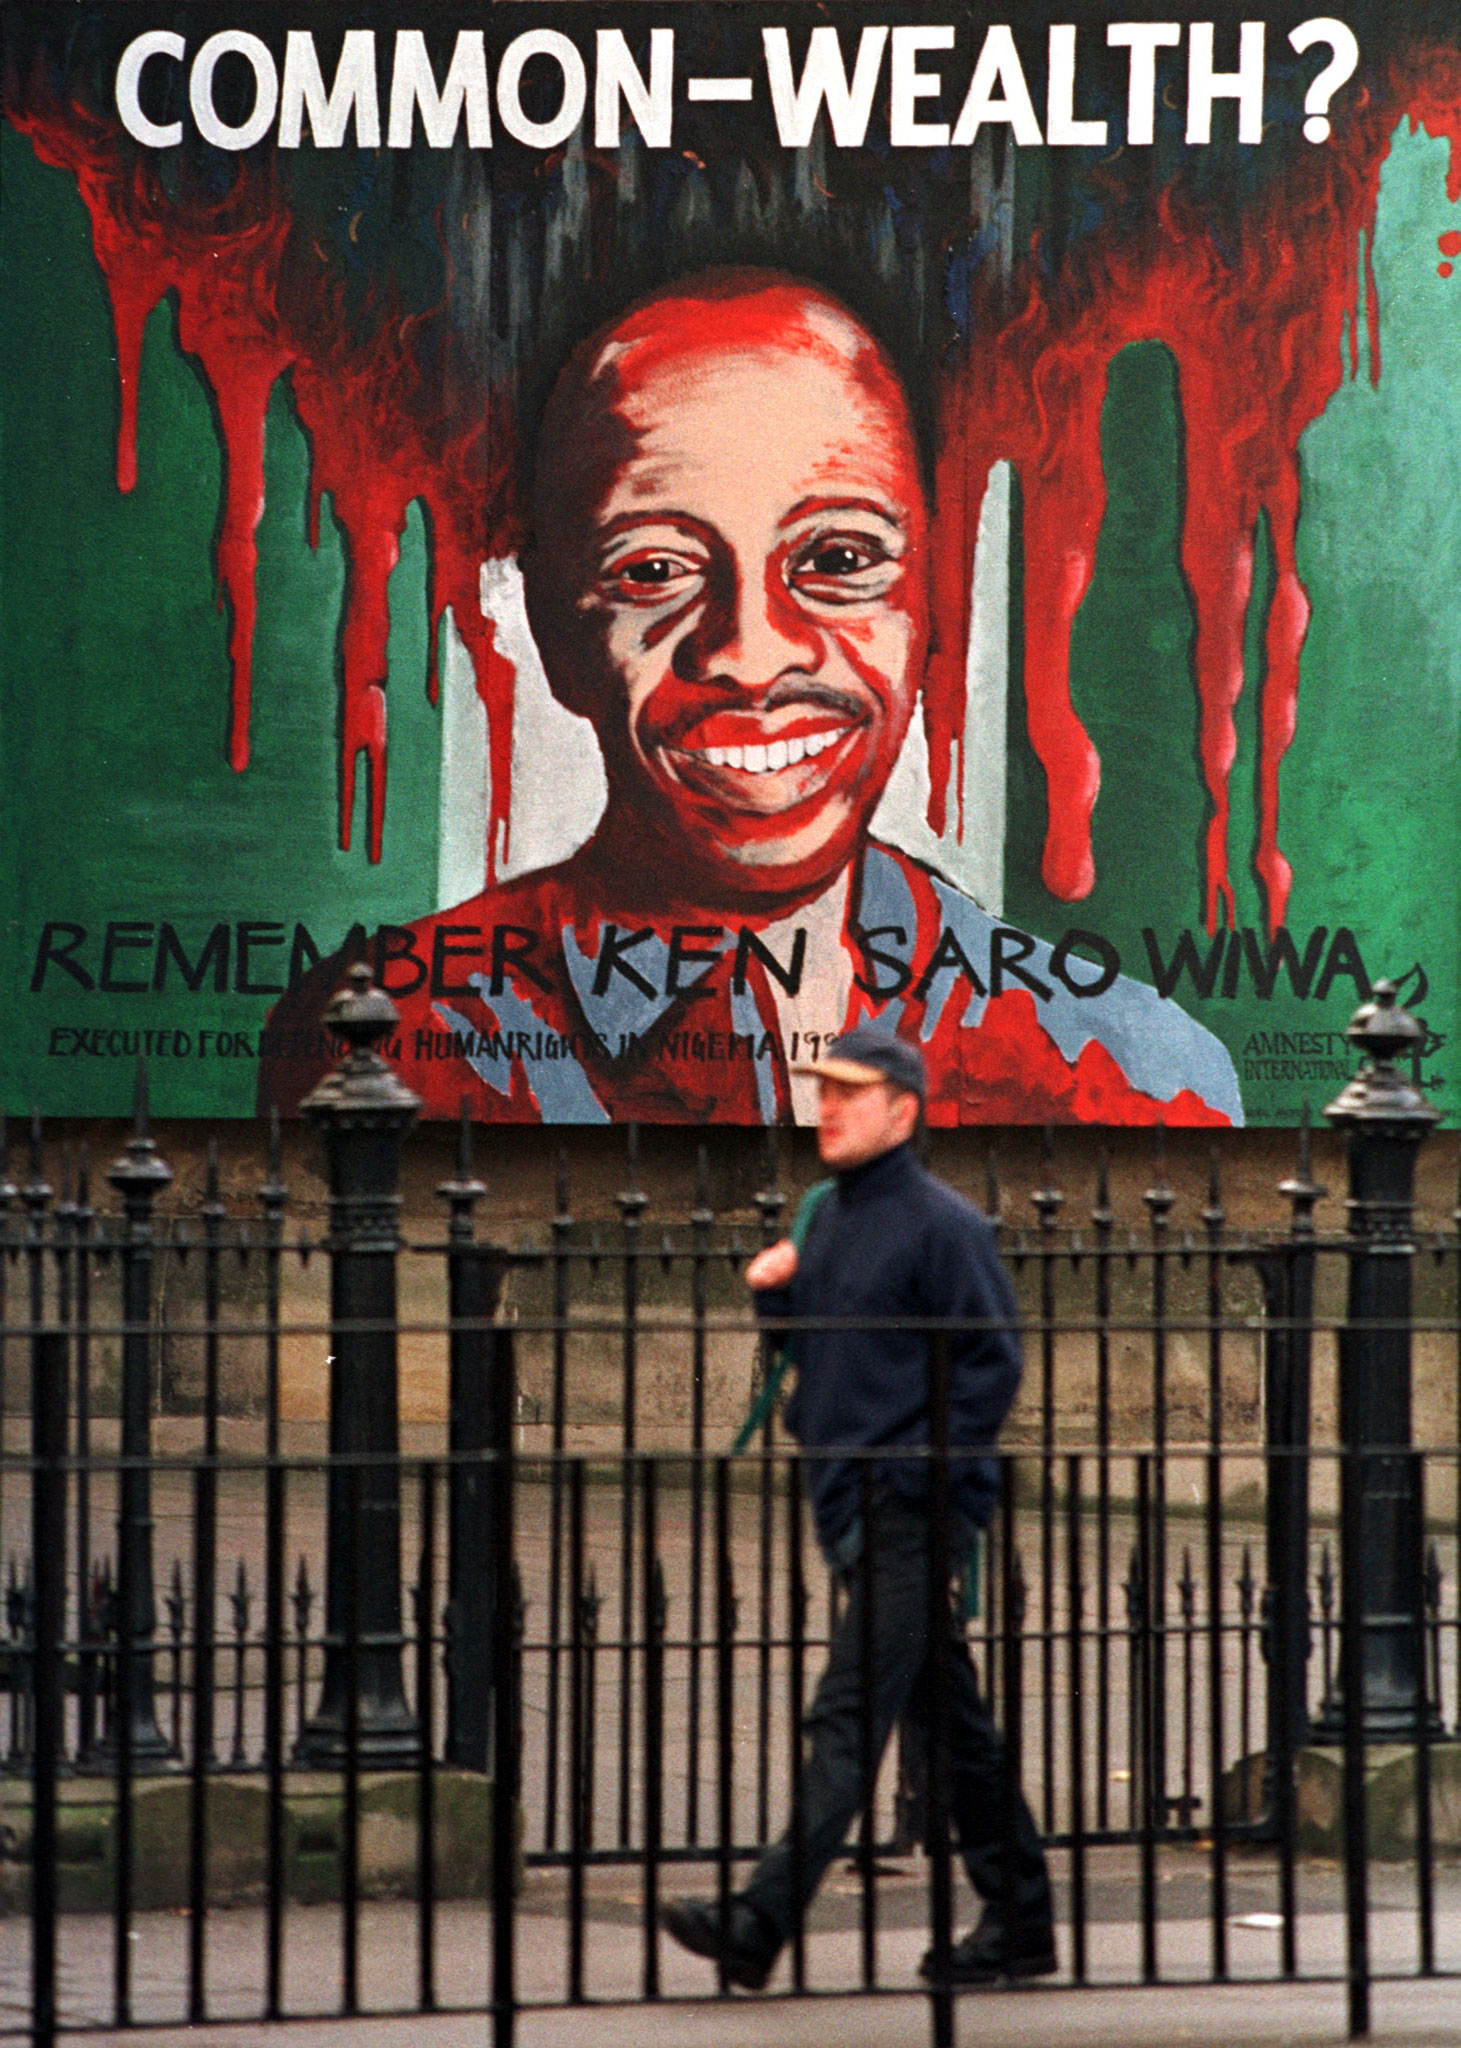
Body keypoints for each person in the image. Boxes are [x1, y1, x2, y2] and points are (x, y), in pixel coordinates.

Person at [260, 268, 1241, 1128]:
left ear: (932, 605)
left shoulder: (1130, 1069)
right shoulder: (390, 1037)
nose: (750, 655)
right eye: (654, 570)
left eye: (839, 558)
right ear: (557, 633)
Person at [661, 1024, 1055, 1990]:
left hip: (906, 1512)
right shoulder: (828, 1216)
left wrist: (917, 1476)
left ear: (902, 1112)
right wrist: (773, 1300)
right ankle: (1021, 1923)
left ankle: (758, 1922)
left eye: (850, 1092)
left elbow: (992, 1364)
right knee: (950, 1727)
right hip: (847, 1504)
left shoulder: (943, 1226)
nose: (827, 1108)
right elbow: (818, 1350)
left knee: (845, 1716)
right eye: (823, 1091)